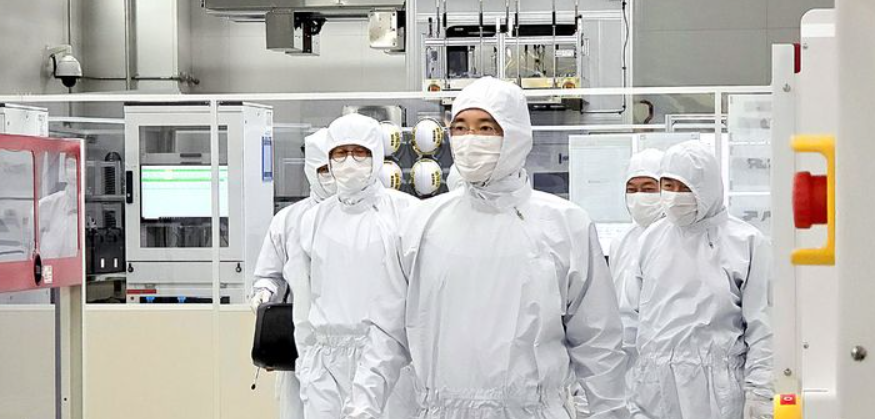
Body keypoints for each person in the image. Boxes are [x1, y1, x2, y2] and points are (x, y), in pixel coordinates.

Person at [345, 76, 630, 419]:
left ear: (516, 134)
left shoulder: (565, 225)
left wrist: (610, 412)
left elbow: (598, 343)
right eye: (460, 127)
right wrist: (362, 408)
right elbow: (386, 335)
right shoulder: (419, 224)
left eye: (485, 127)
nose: (470, 139)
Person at [628, 141, 773, 419]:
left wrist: (761, 392)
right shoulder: (650, 240)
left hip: (720, 393)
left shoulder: (746, 243)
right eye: (668, 185)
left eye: (684, 187)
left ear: (706, 186)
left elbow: (763, 326)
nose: (674, 196)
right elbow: (630, 319)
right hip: (654, 389)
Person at [293, 113, 419, 419]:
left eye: (360, 152)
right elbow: (303, 301)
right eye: (340, 152)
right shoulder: (313, 220)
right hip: (325, 363)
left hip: (389, 362)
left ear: (376, 154)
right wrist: (307, 363)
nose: (349, 161)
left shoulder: (406, 213)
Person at [249, 128, 335, 419]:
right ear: (310, 170)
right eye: (324, 170)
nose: (333, 176)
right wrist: (264, 295)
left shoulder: (372, 217)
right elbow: (269, 275)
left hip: (357, 350)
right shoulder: (288, 221)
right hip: (301, 349)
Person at [609, 148, 664, 368]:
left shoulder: (681, 239)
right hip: (625, 357)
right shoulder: (621, 242)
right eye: (631, 190)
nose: (639, 197)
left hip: (665, 355)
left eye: (648, 188)